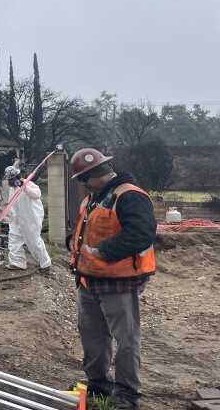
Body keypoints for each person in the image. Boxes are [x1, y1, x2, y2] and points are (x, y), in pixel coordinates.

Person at [68, 148, 156, 409]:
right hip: (88, 280)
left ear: (97, 174)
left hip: (118, 282)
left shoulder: (129, 196)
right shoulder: (94, 198)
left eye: (84, 178)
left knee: (126, 338)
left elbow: (141, 234)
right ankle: (98, 384)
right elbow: (88, 230)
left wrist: (104, 253)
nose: (82, 184)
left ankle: (128, 392)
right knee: (92, 335)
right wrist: (72, 242)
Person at [3, 165, 51, 272]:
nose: (12, 181)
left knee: (33, 241)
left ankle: (45, 264)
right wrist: (11, 216)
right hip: (17, 219)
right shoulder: (12, 189)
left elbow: (37, 194)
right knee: (14, 239)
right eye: (10, 180)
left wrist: (24, 187)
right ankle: (17, 263)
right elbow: (13, 204)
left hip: (31, 218)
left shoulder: (29, 184)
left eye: (13, 179)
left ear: (18, 176)